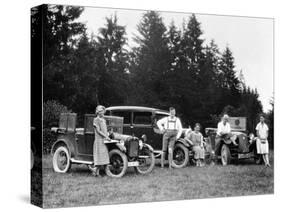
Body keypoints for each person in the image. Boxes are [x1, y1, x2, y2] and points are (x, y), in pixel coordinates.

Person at [92, 105, 110, 176]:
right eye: (101, 111)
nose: (103, 113)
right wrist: (105, 136)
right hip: (99, 140)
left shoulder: (103, 119)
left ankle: (97, 171)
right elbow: (98, 131)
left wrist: (108, 134)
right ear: (98, 112)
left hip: (103, 140)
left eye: (103, 111)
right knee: (99, 156)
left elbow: (104, 129)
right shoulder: (96, 120)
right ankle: (96, 172)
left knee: (104, 156)